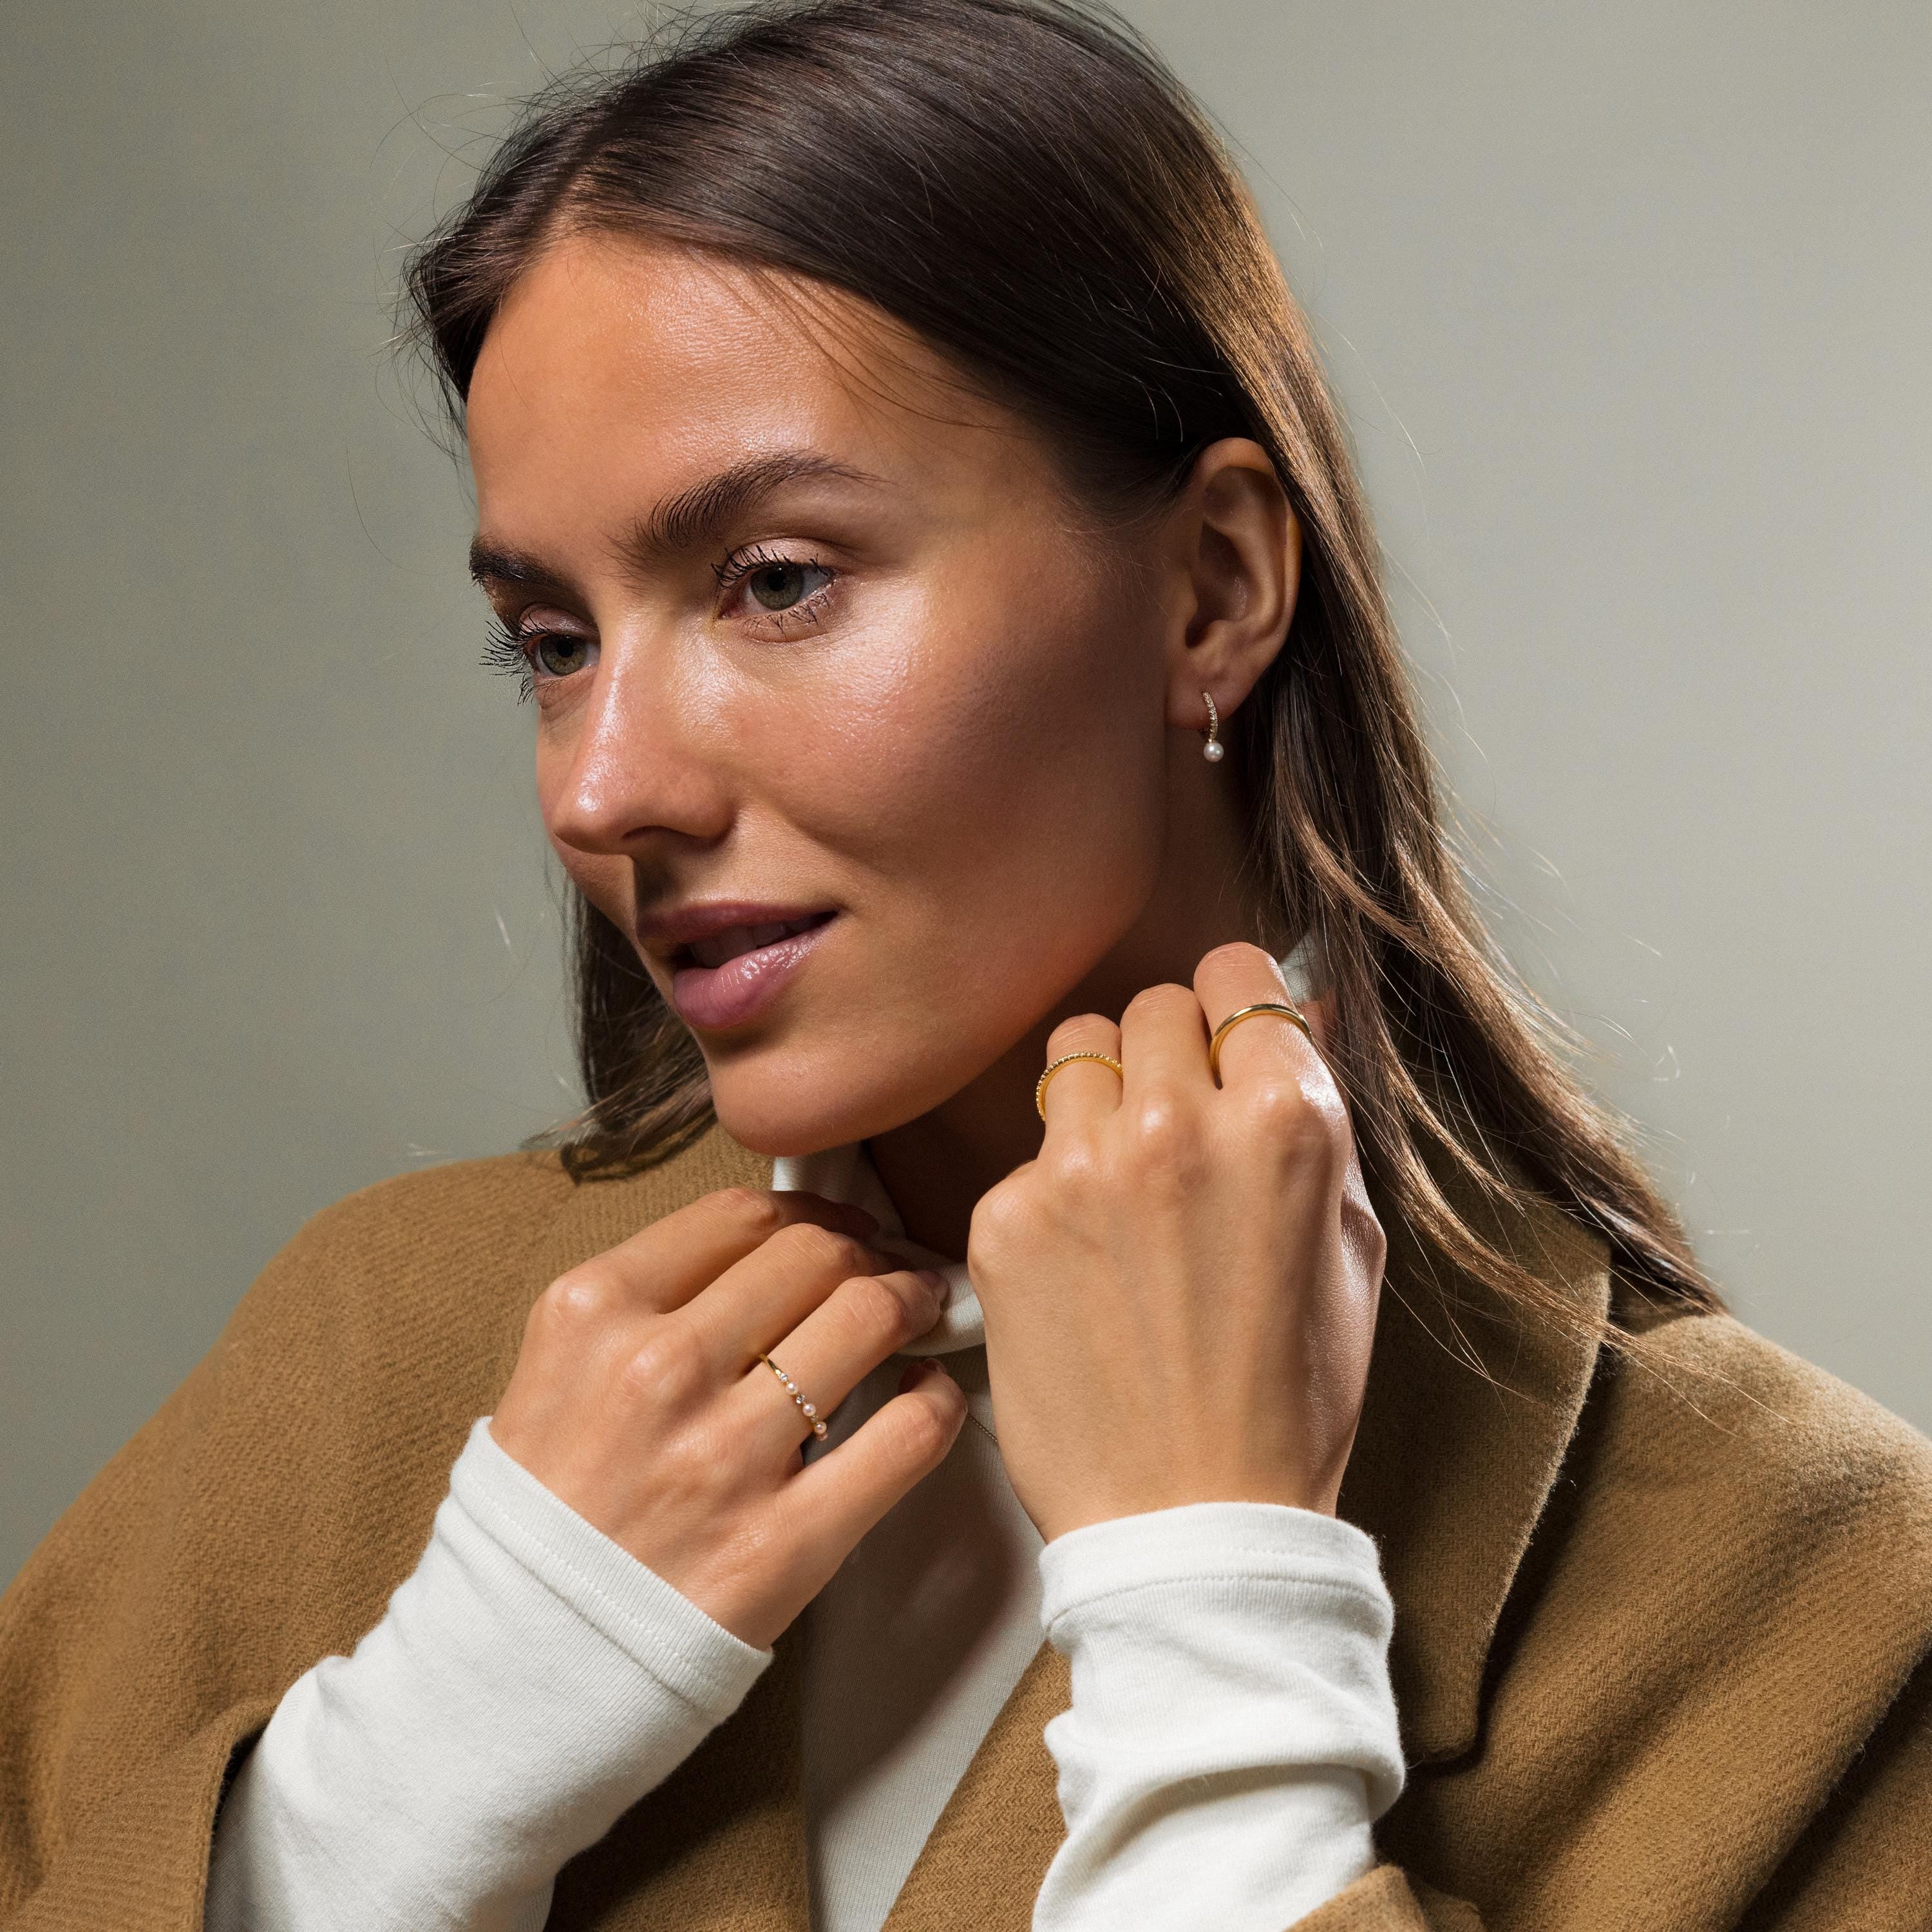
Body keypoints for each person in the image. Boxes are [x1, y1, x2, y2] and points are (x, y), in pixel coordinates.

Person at [3, 1, 1928, 1927]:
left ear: (1216, 588)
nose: (602, 788)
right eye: (553, 639)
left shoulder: (1810, 1600)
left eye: (779, 582)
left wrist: (1219, 1633)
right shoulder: (382, 1347)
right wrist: (397, 1787)